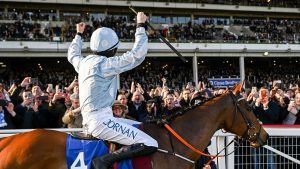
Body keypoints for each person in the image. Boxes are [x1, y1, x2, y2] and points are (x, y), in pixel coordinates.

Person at [67, 12, 157, 169]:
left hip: (95, 119)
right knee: (150, 142)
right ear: (112, 50)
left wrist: (79, 35)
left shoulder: (83, 63)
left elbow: (72, 54)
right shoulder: (106, 65)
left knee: (139, 125)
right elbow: (136, 55)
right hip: (101, 122)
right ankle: (104, 161)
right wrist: (140, 26)